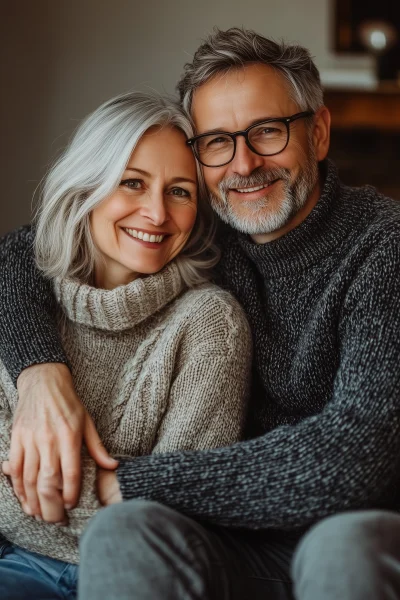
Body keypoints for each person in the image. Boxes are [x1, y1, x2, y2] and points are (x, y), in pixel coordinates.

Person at [0, 25, 400, 600]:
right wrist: (39, 370)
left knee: (341, 551)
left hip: (354, 525)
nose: (242, 164)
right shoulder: (207, 225)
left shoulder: (383, 247)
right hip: (231, 541)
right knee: (126, 533)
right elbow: (24, 252)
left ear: (318, 133)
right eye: (217, 141)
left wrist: (129, 481)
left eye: (267, 131)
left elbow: (355, 454)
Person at [0, 90, 252, 599]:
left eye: (180, 191)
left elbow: (175, 509)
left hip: (139, 575)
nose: (157, 213)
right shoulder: (18, 302)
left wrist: (46, 487)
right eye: (132, 183)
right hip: (18, 565)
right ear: (86, 188)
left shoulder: (210, 323)